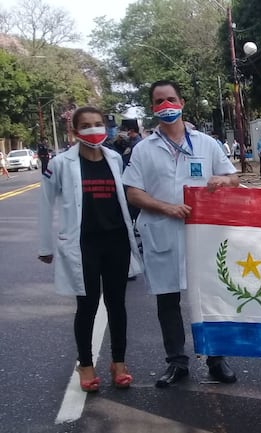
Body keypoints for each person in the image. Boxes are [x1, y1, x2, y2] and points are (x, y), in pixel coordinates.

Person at [123, 80, 240, 388]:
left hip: (203, 236)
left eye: (170, 99)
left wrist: (221, 181)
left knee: (211, 298)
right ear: (152, 108)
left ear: (182, 102)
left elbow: (234, 178)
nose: (166, 105)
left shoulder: (206, 143)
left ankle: (217, 360)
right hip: (162, 232)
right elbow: (133, 192)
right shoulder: (143, 150)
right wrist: (165, 208)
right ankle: (177, 362)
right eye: (159, 101)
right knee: (167, 302)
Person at [38, 106, 143, 393]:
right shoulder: (60, 163)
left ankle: (119, 362)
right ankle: (85, 363)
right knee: (87, 306)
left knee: (117, 303)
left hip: (116, 240)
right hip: (83, 244)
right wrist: (45, 245)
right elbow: (46, 203)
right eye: (85, 125)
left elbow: (129, 197)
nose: (93, 129)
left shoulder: (115, 159)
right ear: (74, 132)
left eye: (98, 124)